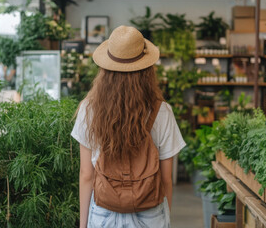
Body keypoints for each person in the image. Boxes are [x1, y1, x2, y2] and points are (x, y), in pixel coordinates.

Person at [71, 25, 185, 228]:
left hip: (104, 211)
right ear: (147, 69)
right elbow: (166, 178)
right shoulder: (162, 111)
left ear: (105, 69)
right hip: (150, 211)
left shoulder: (89, 109)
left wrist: (83, 224)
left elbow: (87, 174)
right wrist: (165, 217)